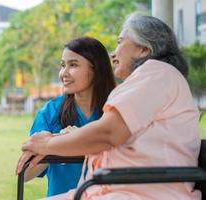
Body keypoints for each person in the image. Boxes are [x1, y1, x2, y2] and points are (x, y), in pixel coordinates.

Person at [18, 14, 202, 200]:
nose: (113, 53)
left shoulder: (157, 74)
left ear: (143, 49)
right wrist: (63, 138)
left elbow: (108, 134)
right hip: (112, 191)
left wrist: (48, 144)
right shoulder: (147, 82)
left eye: (120, 42)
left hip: (135, 193)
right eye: (62, 65)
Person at [16, 37, 116, 197]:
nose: (64, 73)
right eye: (63, 65)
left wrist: (76, 141)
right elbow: (25, 174)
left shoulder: (116, 109)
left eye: (73, 65)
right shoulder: (50, 111)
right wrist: (55, 144)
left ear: (96, 69)